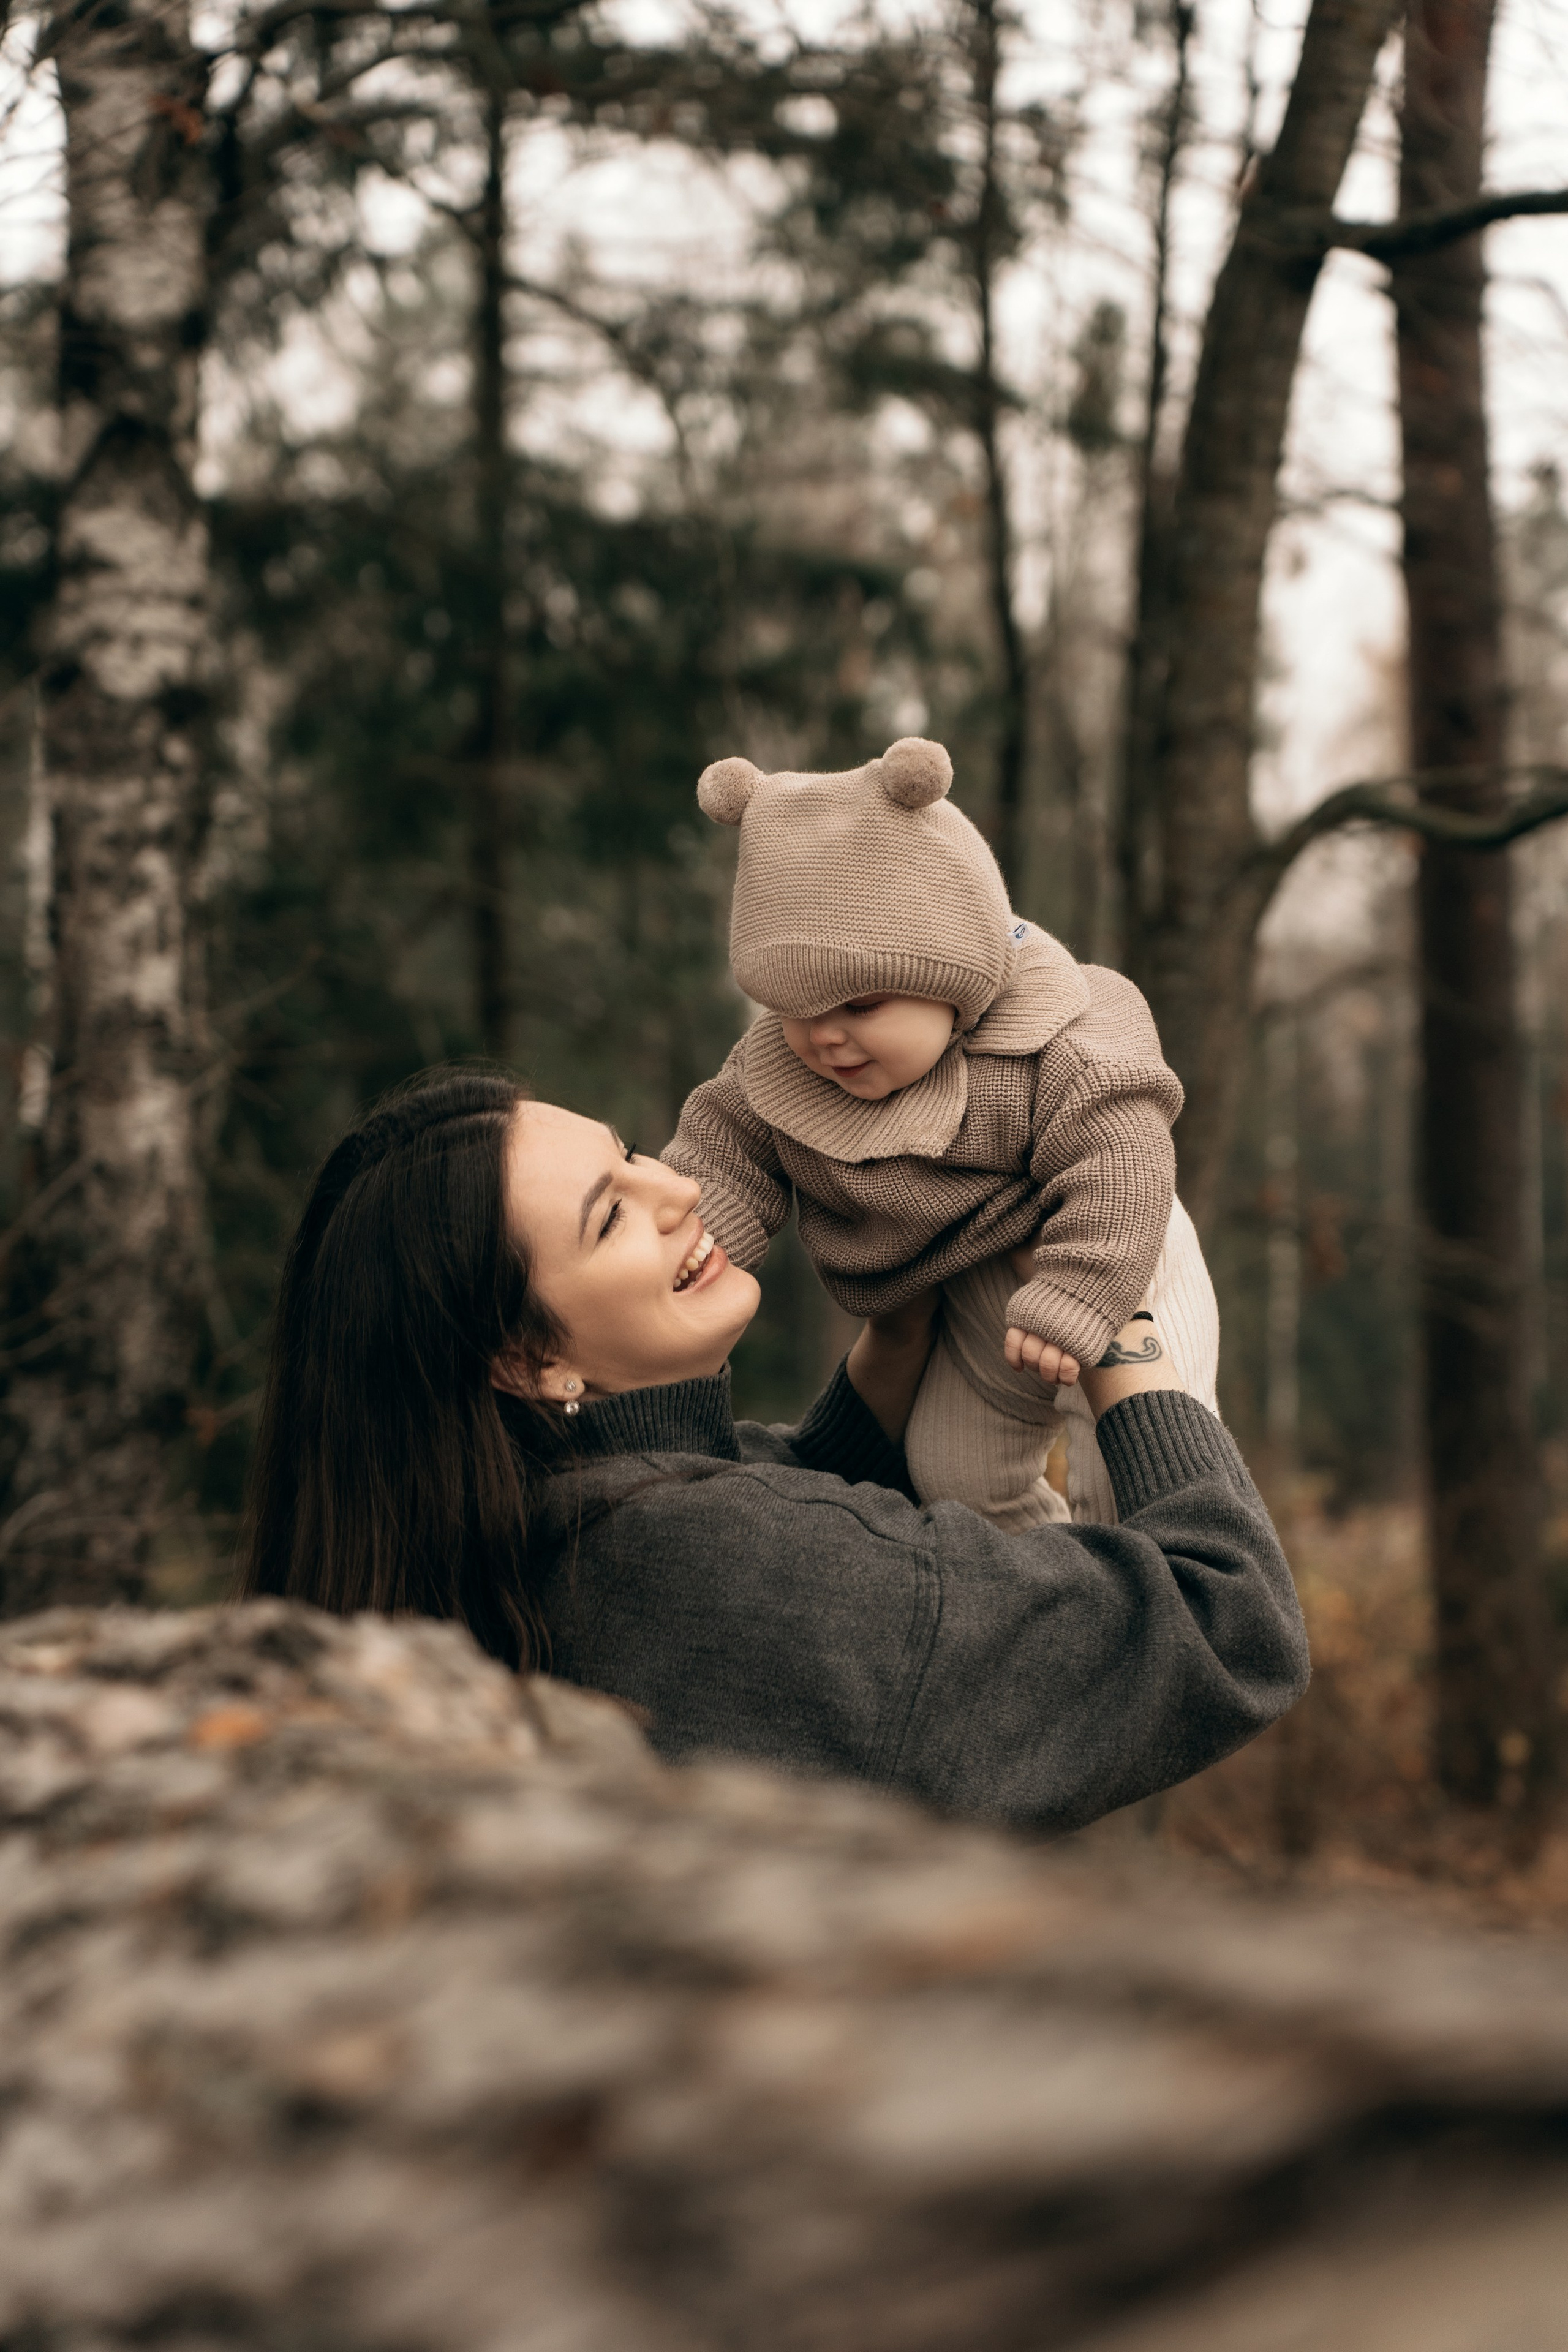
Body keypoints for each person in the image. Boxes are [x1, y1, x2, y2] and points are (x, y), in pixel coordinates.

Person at [241, 1069, 1308, 1833]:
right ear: (524, 1361)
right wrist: (1121, 1337)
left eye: (631, 1155)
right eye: (611, 1217)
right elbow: (1227, 1626)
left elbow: (775, 1542)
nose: (680, 1191)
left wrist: (896, 1342)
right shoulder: (714, 1568)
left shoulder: (491, 1534)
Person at [661, 735, 1219, 1531]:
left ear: (950, 978)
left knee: (1133, 1480)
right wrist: (685, 1252)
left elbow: (1121, 1155)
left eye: (860, 1007)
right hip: (966, 1294)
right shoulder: (778, 1075)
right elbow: (721, 1159)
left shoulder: (1056, 1043)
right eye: (794, 1012)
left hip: (1116, 1253)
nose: (823, 1039)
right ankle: (1051, 1619)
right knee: (957, 1479)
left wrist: (1084, 1289)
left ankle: (1153, 1613)